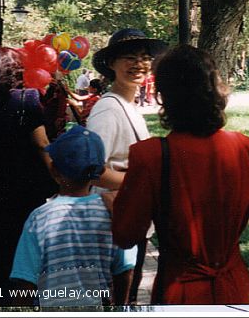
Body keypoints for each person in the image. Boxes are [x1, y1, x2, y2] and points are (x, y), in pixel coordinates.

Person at [111, 45, 249, 305]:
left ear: (163, 96)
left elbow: (126, 234)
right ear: (214, 89)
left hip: (179, 291)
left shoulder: (149, 156)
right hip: (233, 287)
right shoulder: (244, 148)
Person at [0, 46, 57, 306]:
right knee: (23, 256)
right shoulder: (27, 98)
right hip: (24, 193)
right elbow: (41, 144)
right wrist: (59, 178)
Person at [10, 126, 135, 307]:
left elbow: (25, 282)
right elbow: (124, 271)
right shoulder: (110, 213)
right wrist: (120, 307)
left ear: (53, 170)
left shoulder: (39, 219)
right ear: (99, 172)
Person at [87, 28, 168, 303]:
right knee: (119, 296)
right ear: (111, 64)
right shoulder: (108, 109)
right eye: (129, 58)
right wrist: (141, 182)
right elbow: (92, 170)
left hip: (130, 218)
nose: (138, 64)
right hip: (113, 220)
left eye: (144, 57)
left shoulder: (128, 105)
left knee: (127, 294)